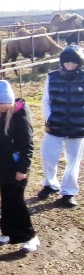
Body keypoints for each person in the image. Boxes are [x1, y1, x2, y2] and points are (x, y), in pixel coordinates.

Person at [0, 80, 40, 253]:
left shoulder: (21, 117)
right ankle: (8, 232)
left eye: (2, 103)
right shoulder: (0, 116)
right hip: (4, 166)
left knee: (17, 201)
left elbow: (27, 145)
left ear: (10, 101)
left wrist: (22, 169)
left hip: (17, 166)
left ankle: (30, 235)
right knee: (6, 199)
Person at [38, 45, 84, 207]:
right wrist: (49, 117)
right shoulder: (52, 77)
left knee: (73, 161)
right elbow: (46, 100)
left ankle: (69, 191)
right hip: (55, 125)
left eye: (74, 63)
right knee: (48, 157)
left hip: (78, 127)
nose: (70, 66)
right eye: (67, 62)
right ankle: (50, 183)